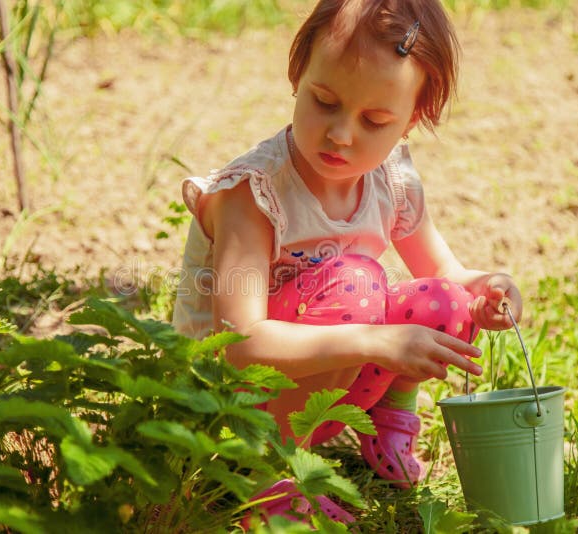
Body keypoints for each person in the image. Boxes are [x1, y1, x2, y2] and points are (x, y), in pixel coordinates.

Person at [172, 0, 522, 526]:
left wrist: (491, 289)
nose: (341, 134)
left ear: (410, 122)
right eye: (324, 102)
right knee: (357, 285)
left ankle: (385, 419)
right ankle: (270, 476)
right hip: (229, 406)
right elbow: (239, 344)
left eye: (375, 120)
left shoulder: (390, 180)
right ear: (298, 74)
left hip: (329, 384)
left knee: (444, 301)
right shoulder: (255, 194)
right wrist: (373, 341)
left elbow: (448, 275)